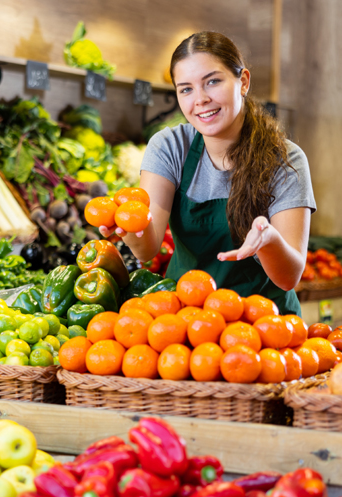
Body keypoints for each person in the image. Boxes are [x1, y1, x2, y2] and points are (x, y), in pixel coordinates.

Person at [103, 31, 316, 315]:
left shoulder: (285, 159)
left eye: (212, 81)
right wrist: (129, 228)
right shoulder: (170, 147)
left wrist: (270, 242)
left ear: (243, 82)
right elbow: (147, 250)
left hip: (265, 326)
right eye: (186, 89)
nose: (200, 99)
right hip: (186, 322)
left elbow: (289, 277)